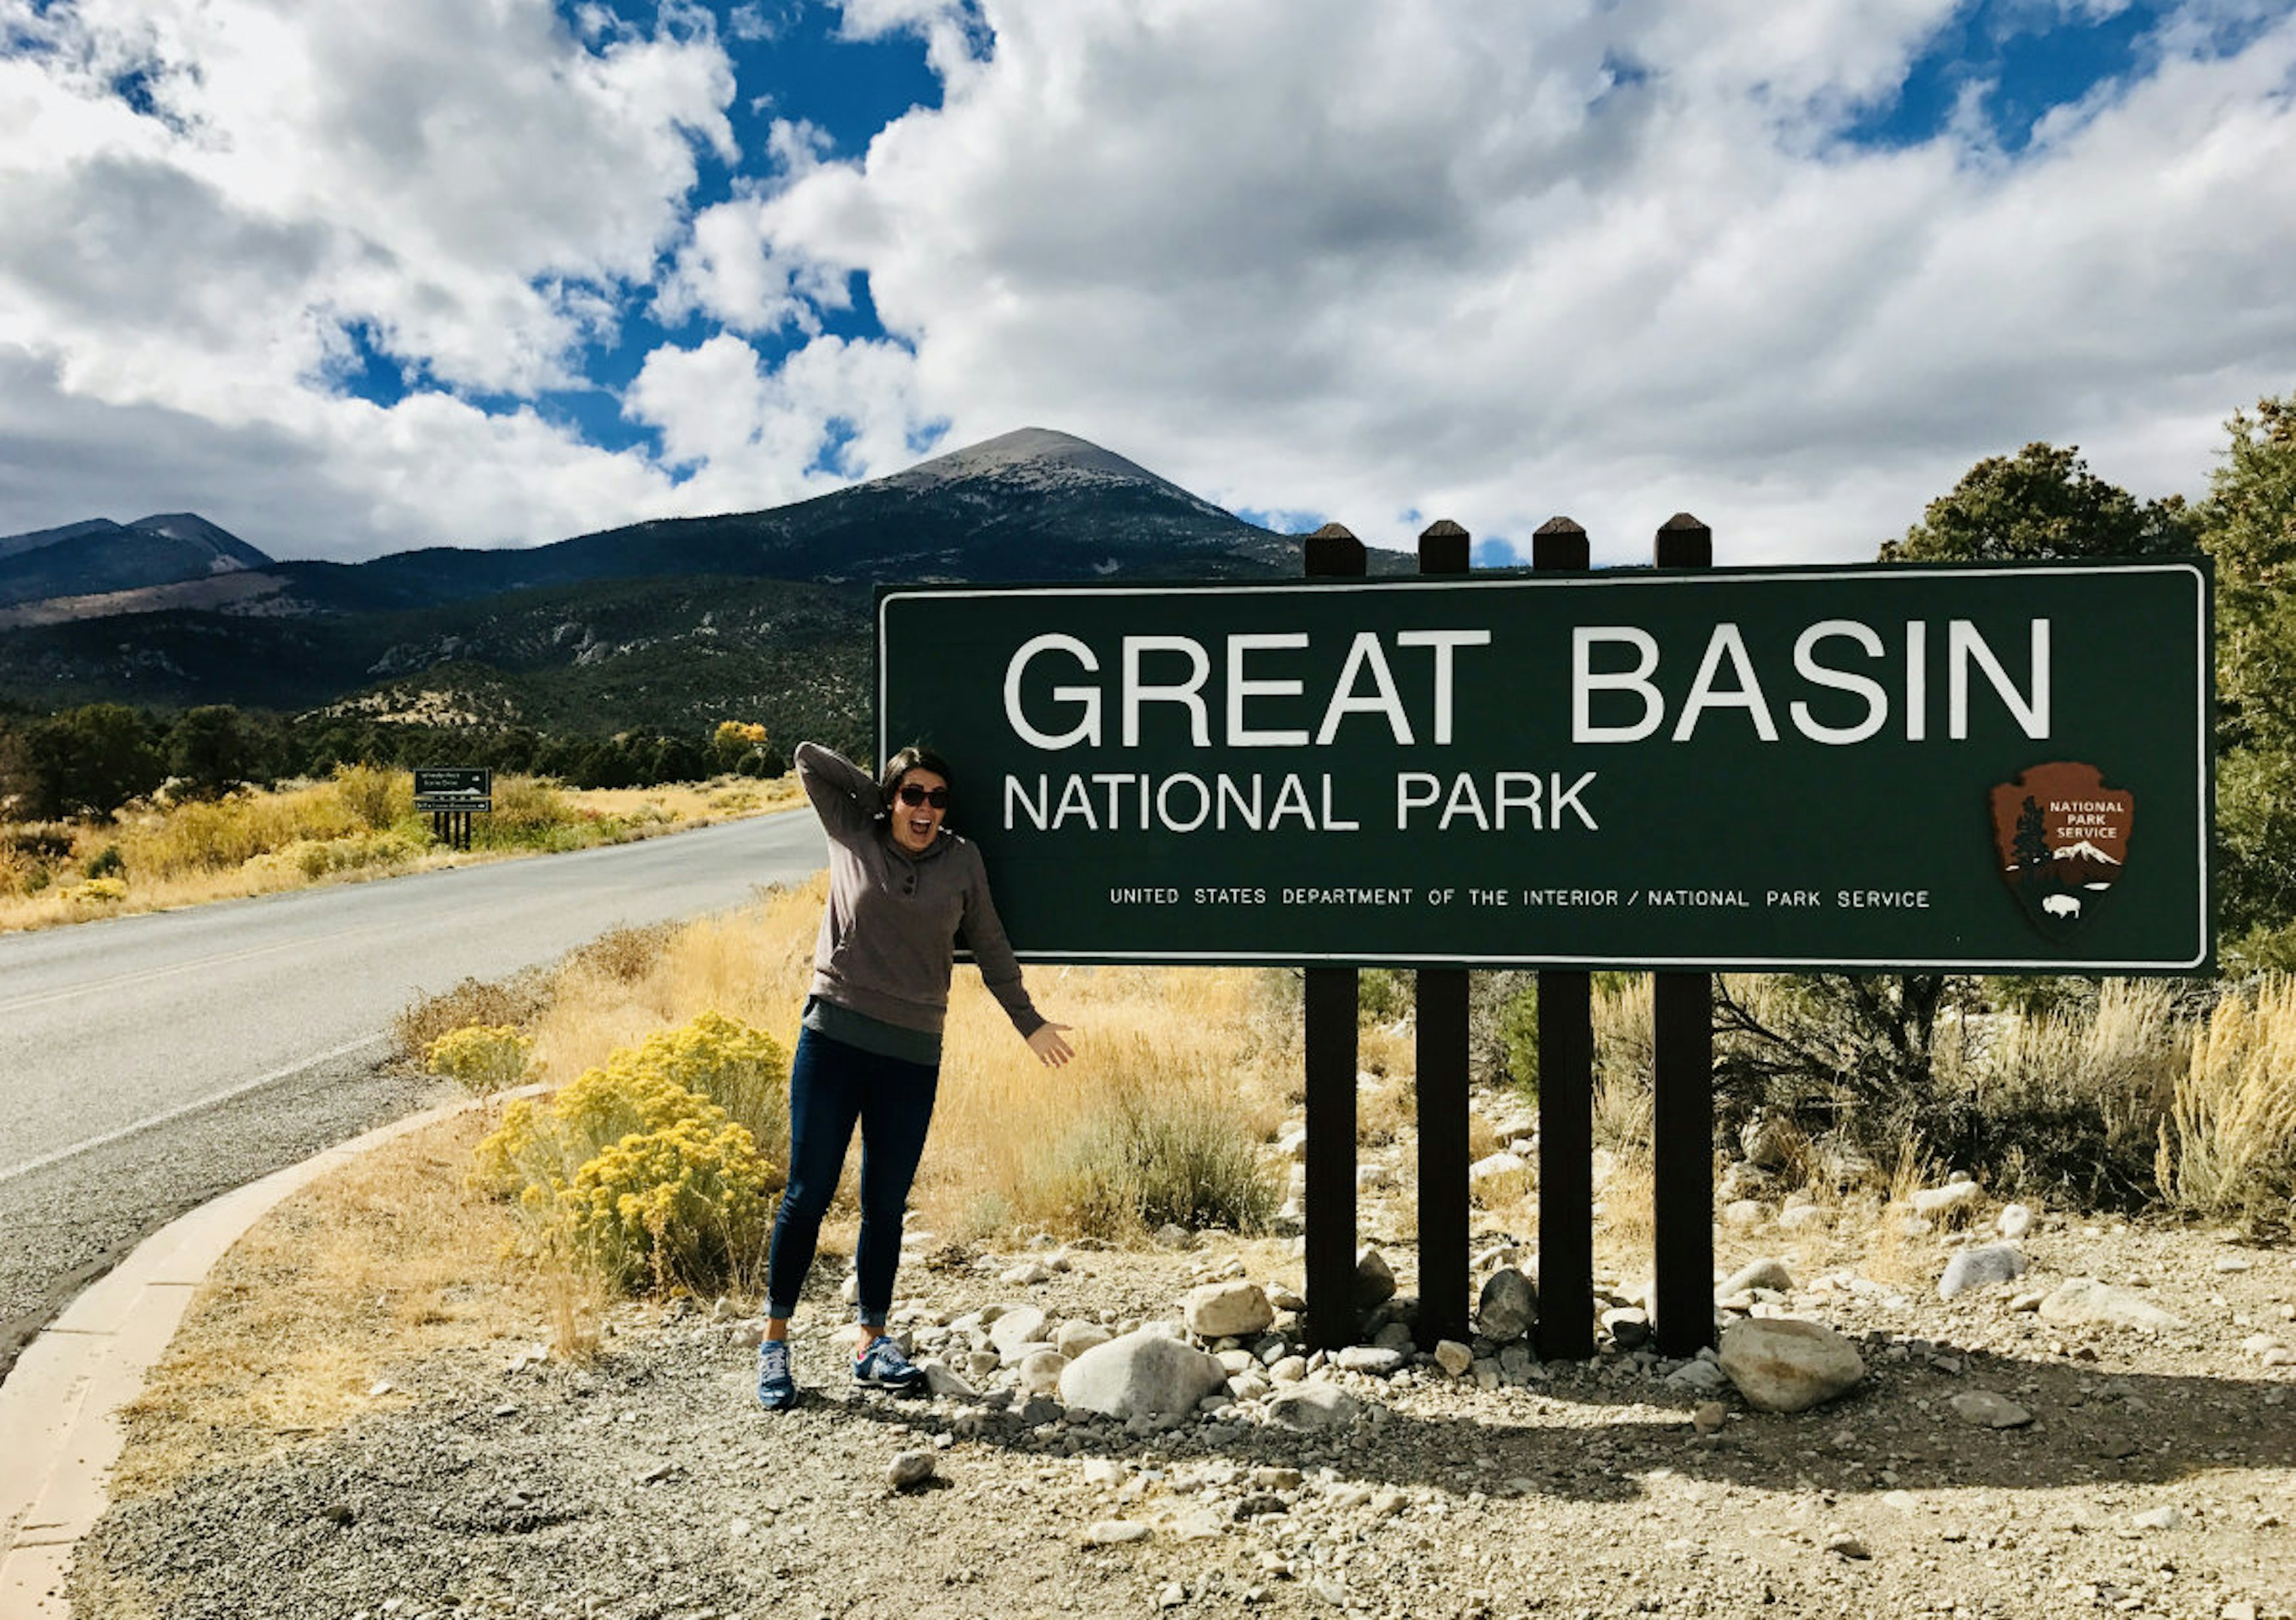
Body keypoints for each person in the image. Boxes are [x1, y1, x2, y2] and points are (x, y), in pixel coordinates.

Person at [756, 739, 1073, 1410]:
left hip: (912, 1054)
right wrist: (876, 796)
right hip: (833, 1038)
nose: (925, 808)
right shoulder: (853, 832)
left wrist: (1029, 1021)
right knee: (807, 1194)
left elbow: (990, 945)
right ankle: (775, 1344)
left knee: (885, 1207)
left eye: (936, 798)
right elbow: (809, 759)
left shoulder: (962, 860)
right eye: (912, 795)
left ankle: (873, 1342)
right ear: (892, 797)